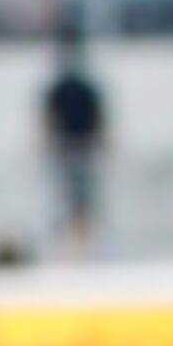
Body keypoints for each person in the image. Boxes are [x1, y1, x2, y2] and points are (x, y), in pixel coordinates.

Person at [40, 24, 109, 256]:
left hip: (81, 146)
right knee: (67, 195)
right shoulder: (61, 87)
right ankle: (68, 239)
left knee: (83, 195)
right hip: (68, 147)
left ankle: (84, 238)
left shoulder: (83, 87)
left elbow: (98, 117)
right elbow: (49, 118)